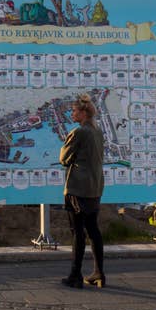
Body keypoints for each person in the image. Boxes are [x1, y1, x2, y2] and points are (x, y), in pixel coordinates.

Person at [59, 93, 105, 288]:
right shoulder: (98, 132)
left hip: (78, 188)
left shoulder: (79, 132)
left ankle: (75, 275)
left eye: (74, 111)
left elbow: (64, 159)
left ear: (83, 113)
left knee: (77, 232)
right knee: (93, 230)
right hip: (95, 186)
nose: (72, 114)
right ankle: (99, 273)